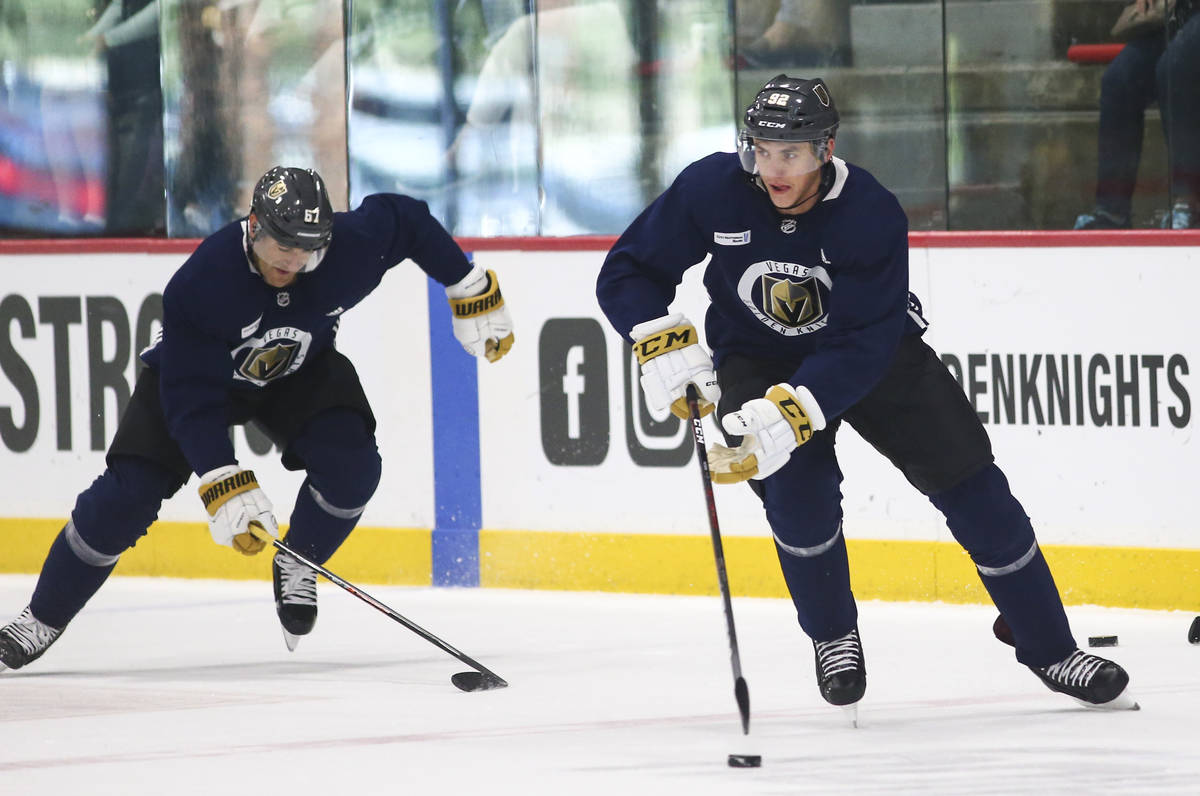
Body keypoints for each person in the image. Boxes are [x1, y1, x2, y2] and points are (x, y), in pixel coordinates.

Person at [596, 75, 1136, 713]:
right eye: (761, 150)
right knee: (798, 498)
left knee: (975, 490)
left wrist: (793, 410)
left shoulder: (869, 211)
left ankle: (1051, 649)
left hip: (875, 356)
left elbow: (863, 343)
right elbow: (630, 269)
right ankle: (834, 638)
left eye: (790, 153)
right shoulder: (712, 187)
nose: (772, 168)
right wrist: (656, 337)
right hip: (758, 355)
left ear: (826, 149)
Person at [0, 166, 514, 670]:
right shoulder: (203, 282)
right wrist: (222, 478)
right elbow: (192, 401)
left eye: (306, 251)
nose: (290, 262)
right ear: (253, 228)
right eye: (278, 247)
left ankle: (298, 557)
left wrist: (465, 283)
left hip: (297, 372)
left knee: (354, 468)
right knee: (125, 497)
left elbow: (408, 219)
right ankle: (40, 618)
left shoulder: (351, 249)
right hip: (195, 386)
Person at [1074, 0, 1199, 230]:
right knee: (1119, 80)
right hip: (1180, 11)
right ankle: (1111, 213)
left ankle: (1189, 204)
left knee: (1175, 68)